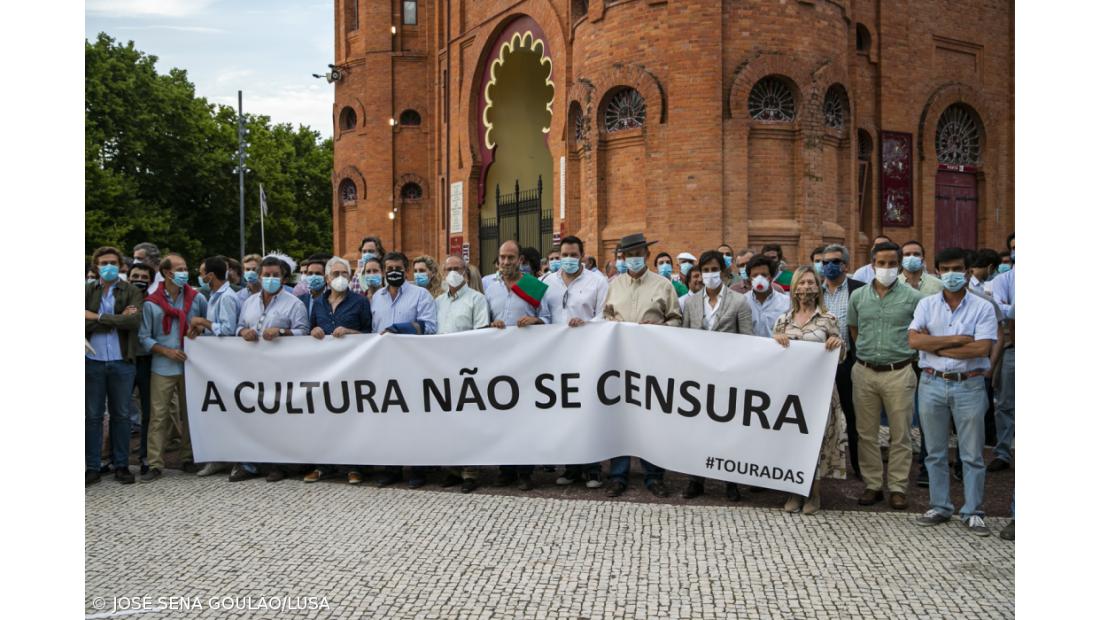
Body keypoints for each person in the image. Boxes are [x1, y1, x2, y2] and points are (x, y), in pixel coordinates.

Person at [908, 248, 999, 536]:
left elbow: (982, 348)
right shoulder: (926, 305)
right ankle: (940, 506)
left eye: (957, 268)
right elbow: (914, 341)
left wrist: (934, 343)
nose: (952, 274)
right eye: (945, 269)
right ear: (937, 271)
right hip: (932, 382)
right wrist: (959, 339)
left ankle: (973, 511)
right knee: (934, 451)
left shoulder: (983, 306)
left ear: (968, 270)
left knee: (972, 453)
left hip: (969, 383)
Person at [601, 232, 681, 498]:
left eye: (638, 254)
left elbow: (676, 320)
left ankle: (654, 475)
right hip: (620, 362)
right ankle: (618, 475)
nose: (633, 259)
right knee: (619, 417)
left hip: (652, 362)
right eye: (628, 255)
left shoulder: (663, 285)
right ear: (622, 257)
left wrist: (659, 327)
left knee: (652, 417)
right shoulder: (614, 285)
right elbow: (605, 317)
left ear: (646, 255)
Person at [847, 241, 923, 509]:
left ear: (900, 265)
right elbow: (854, 330)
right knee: (865, 433)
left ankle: (898, 487)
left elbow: (920, 333)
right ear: (872, 265)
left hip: (899, 371)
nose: (887, 268)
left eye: (892, 263)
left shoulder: (914, 298)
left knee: (900, 434)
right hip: (865, 371)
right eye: (882, 263)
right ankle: (872, 485)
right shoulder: (858, 297)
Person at [679, 250, 753, 502]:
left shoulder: (739, 301)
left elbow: (747, 339)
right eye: (705, 270)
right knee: (696, 428)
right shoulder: (690, 303)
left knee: (727, 429)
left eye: (714, 269)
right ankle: (695, 479)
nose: (709, 274)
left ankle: (730, 481)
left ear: (723, 271)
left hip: (728, 375)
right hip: (698, 377)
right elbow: (685, 338)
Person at [773, 266, 848, 514]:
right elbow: (770, 357)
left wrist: (837, 343)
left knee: (814, 442)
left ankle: (813, 493)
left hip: (819, 393)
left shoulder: (829, 320)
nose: (806, 287)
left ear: (818, 287)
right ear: (794, 288)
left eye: (811, 282)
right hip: (790, 393)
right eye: (801, 283)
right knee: (790, 441)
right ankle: (793, 491)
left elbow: (841, 355)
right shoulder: (783, 321)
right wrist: (777, 341)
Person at [230, 253, 309, 483]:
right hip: (252, 369)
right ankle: (250, 463)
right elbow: (239, 326)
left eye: (275, 275)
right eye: (267, 275)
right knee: (253, 415)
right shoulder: (248, 302)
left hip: (282, 371)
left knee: (280, 417)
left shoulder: (294, 304)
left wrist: (282, 332)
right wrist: (242, 332)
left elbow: (303, 332)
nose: (270, 279)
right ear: (260, 276)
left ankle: (279, 464)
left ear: (284, 279)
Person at [299, 256, 374, 485]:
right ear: (327, 278)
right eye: (336, 274)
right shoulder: (318, 303)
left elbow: (370, 335)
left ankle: (354, 466)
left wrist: (351, 333)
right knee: (325, 416)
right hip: (324, 371)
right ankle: (324, 465)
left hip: (353, 370)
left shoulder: (360, 302)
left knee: (352, 417)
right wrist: (314, 332)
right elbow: (312, 328)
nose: (340, 279)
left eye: (344, 274)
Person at [541, 236, 608, 489]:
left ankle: (593, 468)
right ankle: (571, 466)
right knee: (564, 411)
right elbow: (542, 314)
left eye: (573, 254)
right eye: (564, 254)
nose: (568, 259)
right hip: (557, 356)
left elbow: (605, 314)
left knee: (589, 409)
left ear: (582, 255)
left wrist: (586, 324)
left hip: (587, 354)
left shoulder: (597, 281)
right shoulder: (547, 281)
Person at [485, 240, 551, 490]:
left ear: (520, 260)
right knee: (501, 415)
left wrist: (535, 320)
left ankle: (525, 471)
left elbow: (547, 318)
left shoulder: (533, 286)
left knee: (525, 416)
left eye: (511, 258)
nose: (505, 262)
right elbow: (484, 318)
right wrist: (492, 325)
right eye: (502, 257)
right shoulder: (488, 285)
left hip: (527, 361)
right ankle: (506, 470)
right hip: (498, 361)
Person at [138, 253, 209, 482]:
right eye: (179, 269)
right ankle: (155, 463)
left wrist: (199, 329)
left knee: (191, 414)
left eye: (185, 268)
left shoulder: (196, 298)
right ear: (167, 273)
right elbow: (144, 337)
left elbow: (208, 325)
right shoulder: (152, 302)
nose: (184, 273)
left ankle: (189, 457)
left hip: (191, 364)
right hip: (163, 365)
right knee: (159, 416)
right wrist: (165, 350)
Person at [371, 251, 438, 488]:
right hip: (385, 367)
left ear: (406, 269)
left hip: (413, 365)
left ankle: (417, 469)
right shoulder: (376, 298)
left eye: (398, 268)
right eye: (389, 268)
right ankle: (392, 468)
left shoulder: (421, 295)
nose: (393, 272)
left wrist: (398, 329)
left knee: (415, 418)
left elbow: (429, 327)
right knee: (389, 418)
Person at [86, 246, 145, 485]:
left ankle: (121, 465)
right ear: (96, 266)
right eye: (103, 263)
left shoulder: (130, 290)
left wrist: (95, 316)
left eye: (112, 262)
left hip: (122, 361)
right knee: (92, 416)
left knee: (122, 416)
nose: (108, 266)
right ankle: (92, 466)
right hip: (92, 360)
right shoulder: (87, 290)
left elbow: (133, 321)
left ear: (120, 265)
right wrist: (117, 319)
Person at [434, 255, 491, 493]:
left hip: (467, 367)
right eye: (448, 269)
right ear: (442, 273)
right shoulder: (438, 302)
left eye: (457, 268)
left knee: (469, 420)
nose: (452, 272)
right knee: (448, 419)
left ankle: (470, 470)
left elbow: (481, 333)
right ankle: (452, 469)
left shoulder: (477, 299)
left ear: (465, 272)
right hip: (440, 367)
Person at [187, 256, 243, 478]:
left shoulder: (227, 297)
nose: (200, 278)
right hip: (215, 362)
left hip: (227, 363)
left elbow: (228, 330)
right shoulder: (213, 296)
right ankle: (218, 456)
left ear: (210, 276)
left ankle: (231, 457)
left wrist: (203, 322)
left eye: (202, 273)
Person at [819, 244, 866, 479]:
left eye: (834, 261)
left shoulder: (860, 290)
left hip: (850, 363)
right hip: (818, 366)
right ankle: (817, 465)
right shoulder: (814, 291)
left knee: (855, 416)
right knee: (817, 416)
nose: (829, 266)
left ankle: (860, 467)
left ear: (845, 265)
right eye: (825, 262)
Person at [126, 262, 156, 474]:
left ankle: (145, 456)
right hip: (124, 359)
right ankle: (117, 458)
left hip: (147, 361)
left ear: (151, 281)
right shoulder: (120, 301)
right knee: (119, 412)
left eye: (144, 277)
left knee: (148, 412)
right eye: (135, 275)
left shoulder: (153, 304)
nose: (139, 280)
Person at [745, 255, 790, 338]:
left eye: (764, 275)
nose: (759, 278)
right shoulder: (743, 301)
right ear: (749, 278)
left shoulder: (786, 302)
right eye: (755, 275)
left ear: (772, 277)